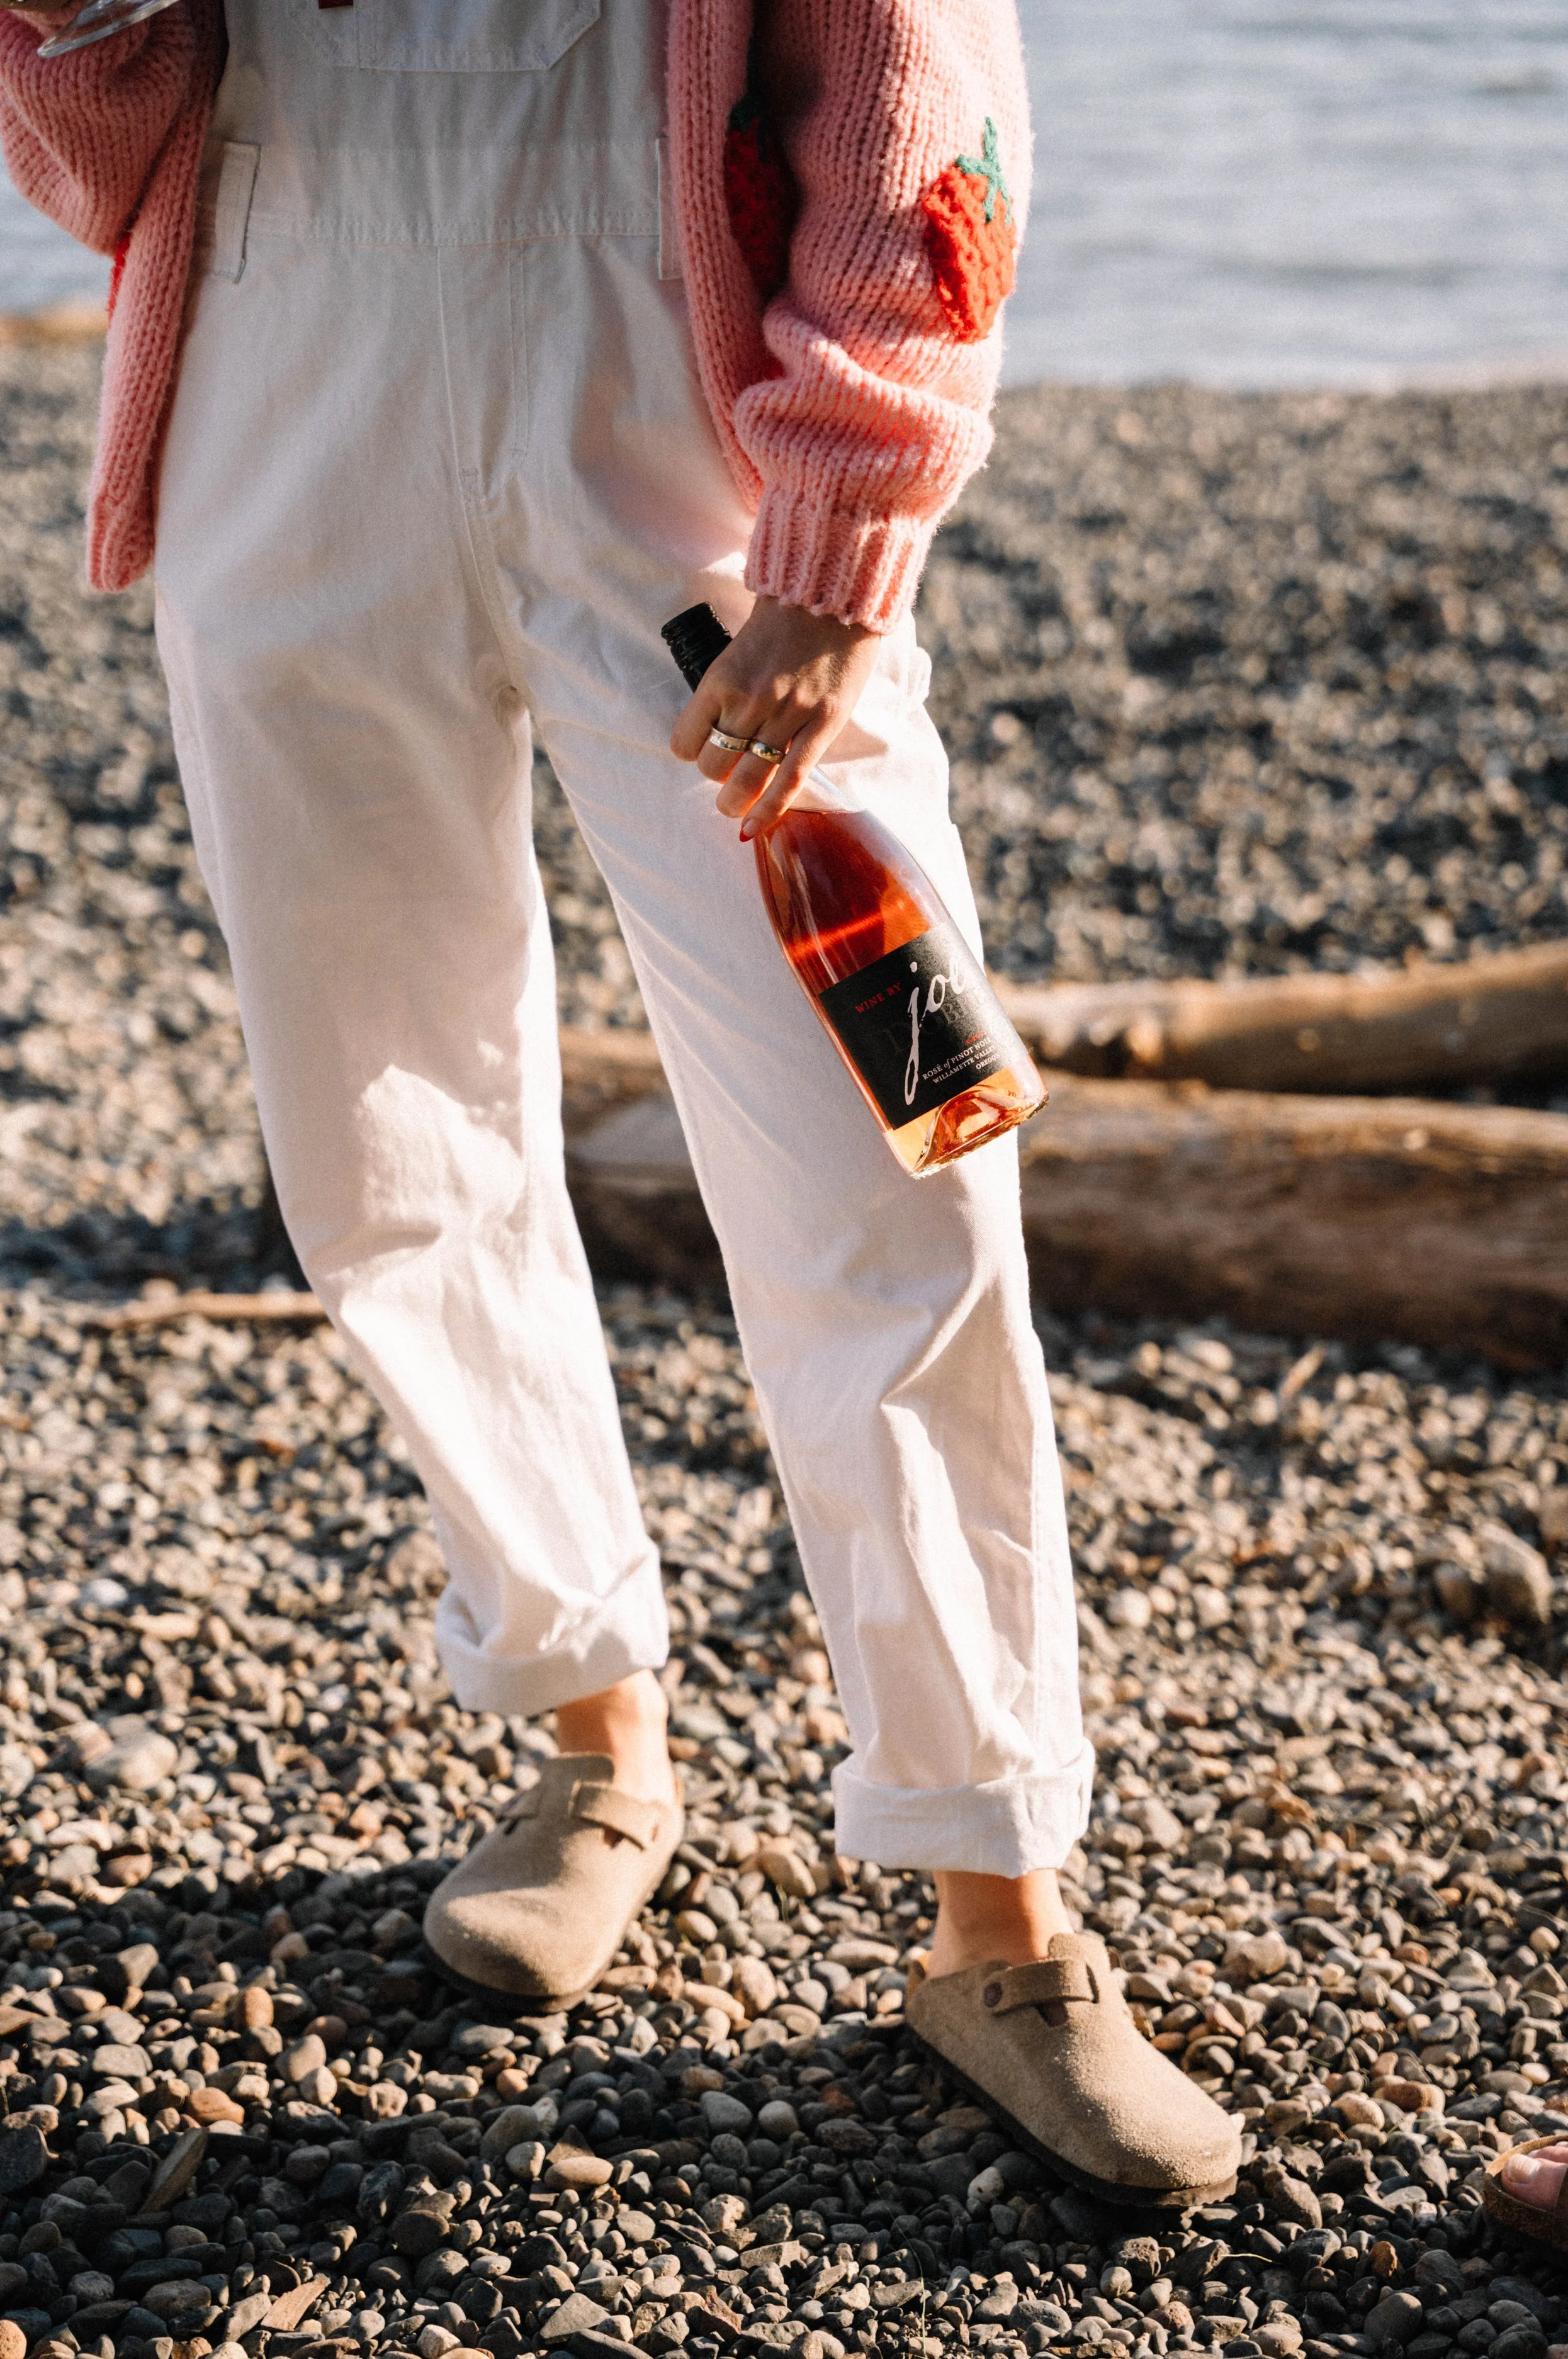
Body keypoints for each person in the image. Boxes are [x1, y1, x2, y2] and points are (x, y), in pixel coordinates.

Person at [2, 0, 1241, 2205]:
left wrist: (847, 527)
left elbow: (913, 89)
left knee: (905, 1148)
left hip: (684, 459)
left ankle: (1000, 1910)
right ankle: (586, 1726)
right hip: (285, 431)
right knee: (387, 1143)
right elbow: (96, 140)